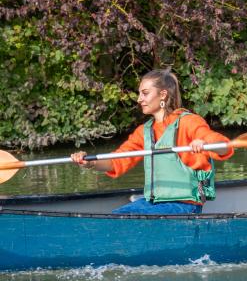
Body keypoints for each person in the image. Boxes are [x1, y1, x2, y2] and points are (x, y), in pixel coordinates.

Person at [71, 69, 234, 214]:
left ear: (162, 95)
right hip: (153, 202)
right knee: (114, 217)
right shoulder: (144, 131)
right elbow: (116, 162)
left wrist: (204, 143)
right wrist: (89, 162)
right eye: (140, 93)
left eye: (145, 93)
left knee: (125, 220)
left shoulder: (188, 122)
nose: (139, 99)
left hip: (184, 205)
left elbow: (222, 146)